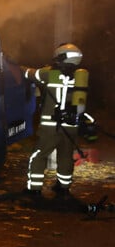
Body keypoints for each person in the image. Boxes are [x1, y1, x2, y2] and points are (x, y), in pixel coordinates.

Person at [22, 42, 89, 199]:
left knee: (39, 155)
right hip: (71, 126)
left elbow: (28, 74)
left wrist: (13, 64)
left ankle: (34, 188)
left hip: (50, 126)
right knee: (66, 156)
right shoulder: (81, 77)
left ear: (61, 56)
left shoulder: (49, 73)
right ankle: (64, 187)